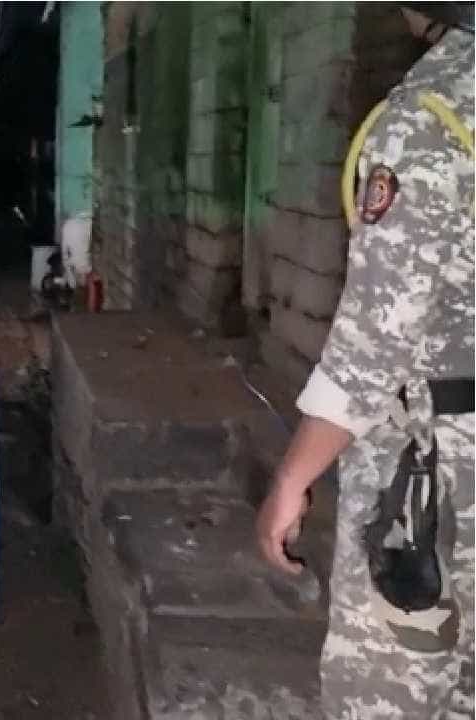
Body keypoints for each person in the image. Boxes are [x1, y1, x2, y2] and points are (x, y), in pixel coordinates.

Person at [256, 5, 473, 716]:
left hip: (436, 479)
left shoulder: (431, 118)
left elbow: (375, 344)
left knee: (391, 694)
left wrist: (293, 477)